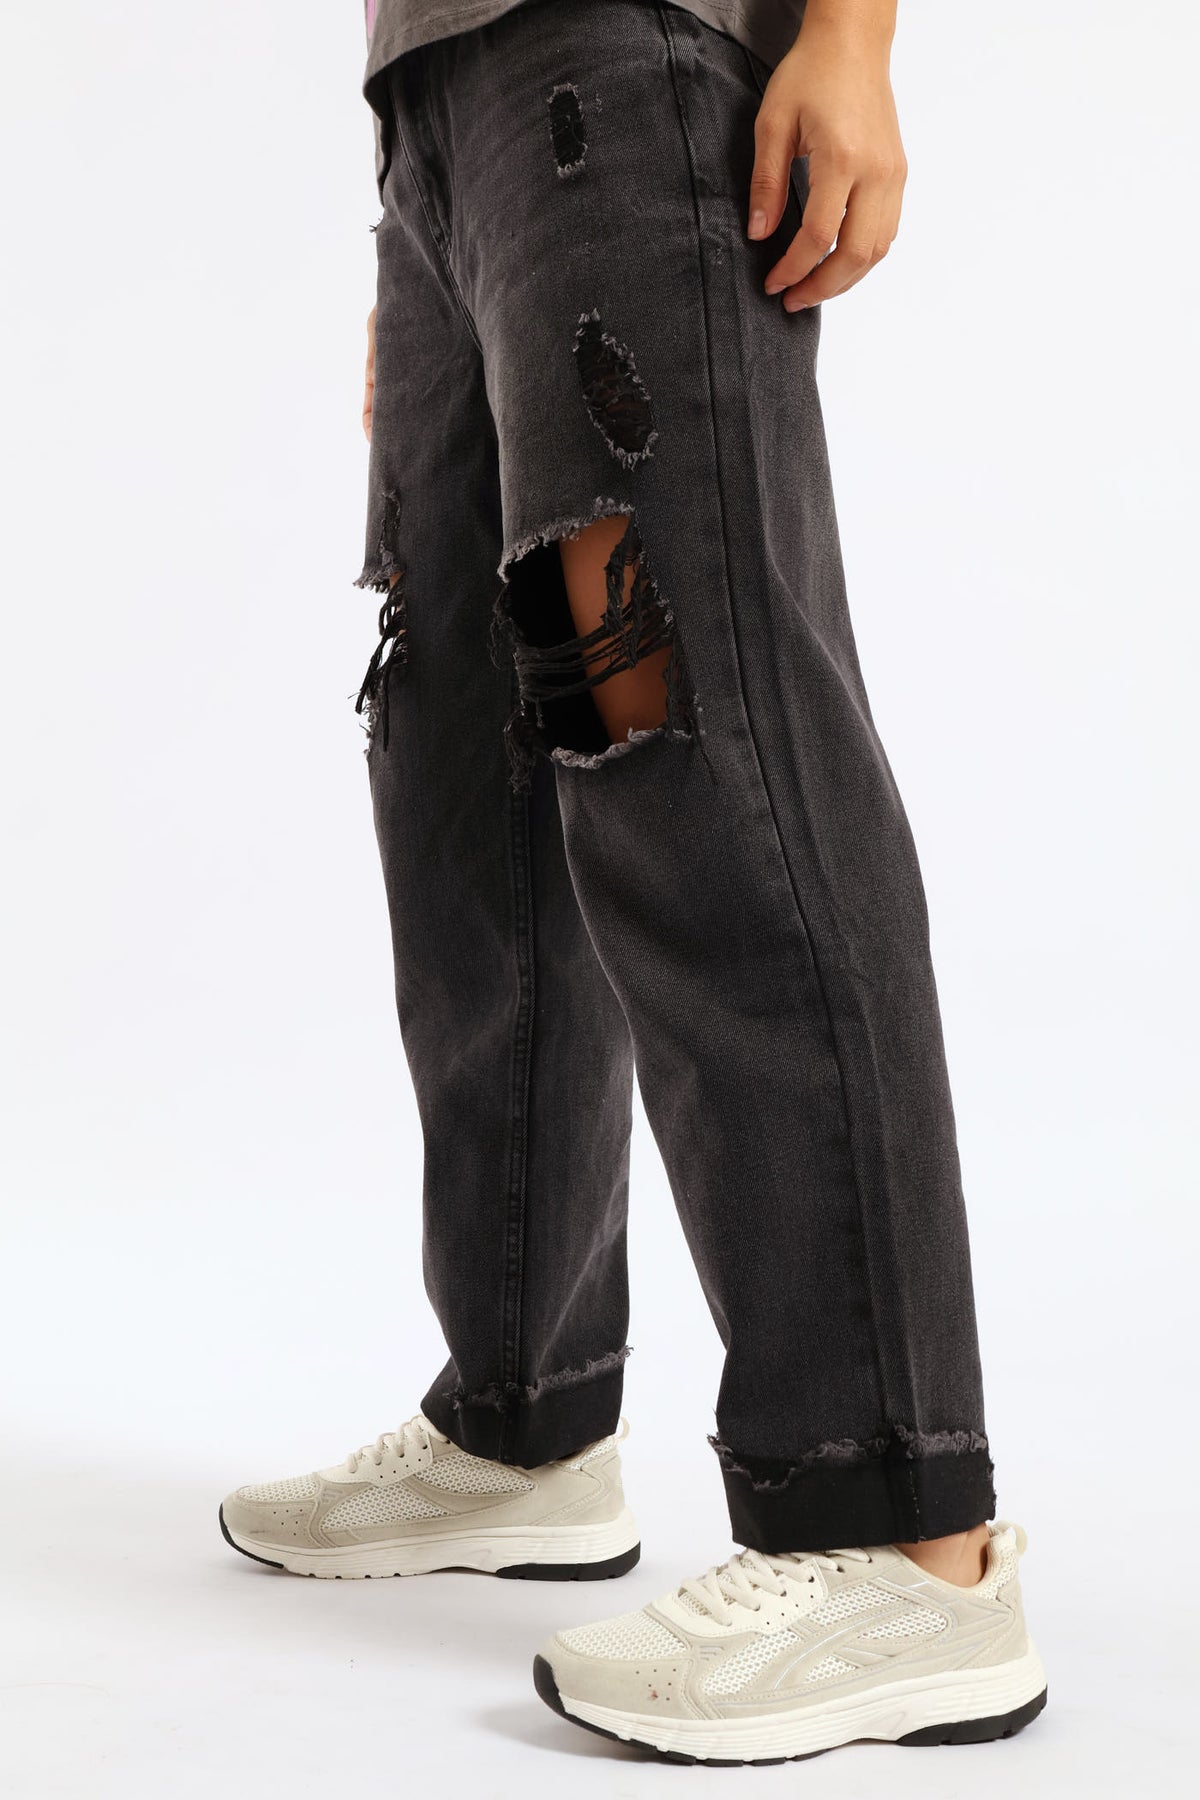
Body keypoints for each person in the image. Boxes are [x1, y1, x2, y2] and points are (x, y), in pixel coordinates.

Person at [220, 0, 1047, 1763]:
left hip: (616, 64)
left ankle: (895, 1521)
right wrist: (442, 247)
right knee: (492, 769)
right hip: (447, 126)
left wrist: (851, 36)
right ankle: (523, 1420)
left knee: (701, 745)